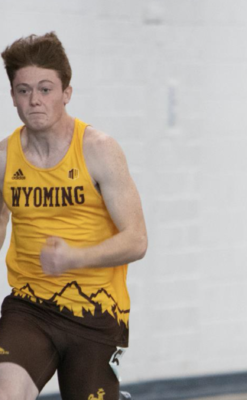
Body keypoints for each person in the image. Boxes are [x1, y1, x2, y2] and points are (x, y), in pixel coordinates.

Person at [0, 32, 147, 400]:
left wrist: (74, 257)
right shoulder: (4, 159)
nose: (34, 100)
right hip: (29, 307)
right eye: (23, 90)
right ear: (12, 95)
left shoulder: (98, 150)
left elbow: (137, 240)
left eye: (45, 89)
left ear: (66, 93)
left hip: (97, 313)